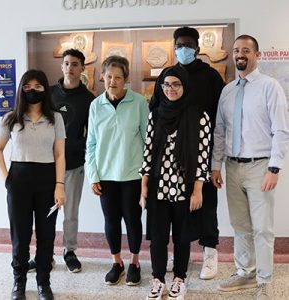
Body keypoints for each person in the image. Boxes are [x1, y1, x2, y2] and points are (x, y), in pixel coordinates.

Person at [211, 34, 289, 300]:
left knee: (262, 228)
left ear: (257, 55)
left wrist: (274, 168)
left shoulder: (270, 87)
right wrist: (216, 166)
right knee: (240, 225)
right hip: (232, 167)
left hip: (260, 166)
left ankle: (264, 280)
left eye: (245, 50)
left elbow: (281, 130)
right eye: (236, 50)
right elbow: (220, 131)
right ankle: (246, 271)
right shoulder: (228, 90)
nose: (240, 54)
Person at [150, 26, 224, 280]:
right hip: (171, 159)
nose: (183, 49)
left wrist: (214, 161)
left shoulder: (211, 76)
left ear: (198, 48)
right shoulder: (168, 75)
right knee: (176, 211)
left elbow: (220, 119)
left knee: (206, 203)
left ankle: (210, 251)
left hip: (202, 153)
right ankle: (179, 256)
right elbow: (156, 110)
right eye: (179, 45)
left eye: (188, 45)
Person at [0, 69, 66, 300]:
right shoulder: (11, 118)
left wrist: (60, 185)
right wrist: (7, 178)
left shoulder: (56, 118)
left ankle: (43, 283)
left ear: (45, 88)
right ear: (21, 89)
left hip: (47, 179)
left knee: (46, 235)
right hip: (19, 179)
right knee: (20, 235)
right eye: (27, 86)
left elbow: (59, 155)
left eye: (37, 86)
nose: (32, 90)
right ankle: (19, 283)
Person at [141, 66, 212, 300]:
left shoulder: (199, 116)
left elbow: (203, 156)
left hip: (186, 187)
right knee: (158, 237)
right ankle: (158, 279)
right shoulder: (156, 114)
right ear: (161, 87)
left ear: (185, 86)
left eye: (176, 84)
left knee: (182, 236)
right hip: (158, 187)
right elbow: (148, 152)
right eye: (167, 84)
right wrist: (144, 186)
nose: (171, 89)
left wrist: (198, 190)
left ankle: (180, 279)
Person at [28, 49, 95, 273]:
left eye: (75, 64)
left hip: (74, 163)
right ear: (61, 66)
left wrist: (82, 149)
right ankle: (44, 256)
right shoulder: (49, 94)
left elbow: (93, 133)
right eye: (66, 63)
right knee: (46, 212)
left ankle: (69, 251)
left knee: (71, 212)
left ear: (82, 68)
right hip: (47, 165)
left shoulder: (89, 99)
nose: (70, 68)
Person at [86, 55, 149, 286]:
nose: (112, 81)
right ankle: (116, 262)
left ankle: (134, 262)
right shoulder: (95, 105)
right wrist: (93, 175)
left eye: (118, 77)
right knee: (111, 220)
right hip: (105, 175)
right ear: (102, 77)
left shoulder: (139, 103)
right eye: (109, 76)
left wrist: (146, 177)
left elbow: (147, 141)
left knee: (133, 220)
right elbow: (91, 143)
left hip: (132, 174)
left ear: (126, 79)